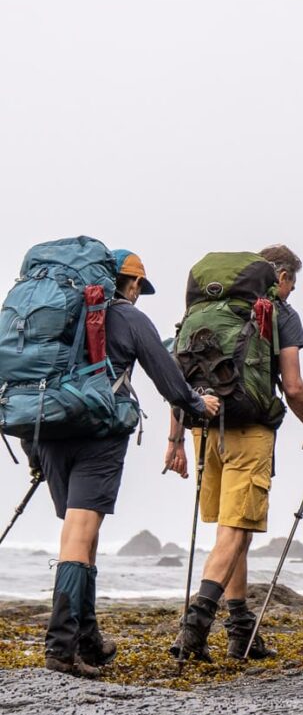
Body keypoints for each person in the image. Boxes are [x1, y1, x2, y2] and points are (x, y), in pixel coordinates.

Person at [33, 250, 221, 678]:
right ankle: (61, 649)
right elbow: (168, 378)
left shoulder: (61, 316)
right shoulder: (129, 318)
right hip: (96, 434)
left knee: (81, 533)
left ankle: (88, 640)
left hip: (47, 434)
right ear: (129, 283)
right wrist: (198, 403)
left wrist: (34, 456)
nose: (138, 294)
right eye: (138, 286)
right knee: (80, 535)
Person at [166, 244, 303, 662]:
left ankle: (241, 631)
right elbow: (293, 387)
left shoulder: (201, 311)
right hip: (250, 427)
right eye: (292, 283)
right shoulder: (277, 311)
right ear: (281, 277)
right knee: (238, 528)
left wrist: (174, 440)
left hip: (203, 428)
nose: (291, 292)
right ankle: (195, 626)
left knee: (227, 527)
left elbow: (179, 374)